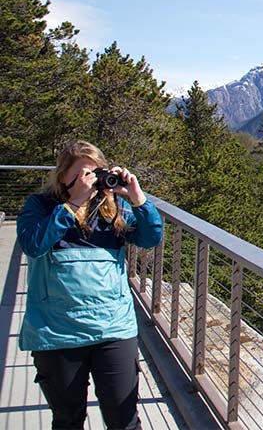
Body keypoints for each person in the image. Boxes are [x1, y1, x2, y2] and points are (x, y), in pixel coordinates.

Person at [16, 141, 163, 430]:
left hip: (113, 329)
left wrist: (138, 200)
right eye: (85, 175)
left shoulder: (113, 208)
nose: (93, 182)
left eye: (97, 173)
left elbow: (150, 238)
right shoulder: (42, 206)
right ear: (63, 177)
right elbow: (33, 245)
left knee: (124, 421)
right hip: (57, 332)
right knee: (68, 420)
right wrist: (71, 205)